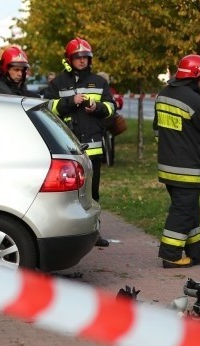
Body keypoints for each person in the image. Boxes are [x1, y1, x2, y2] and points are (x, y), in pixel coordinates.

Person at [42, 38, 115, 247]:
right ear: (70, 59)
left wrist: (97, 108)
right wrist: (69, 102)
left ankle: (95, 232)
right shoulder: (58, 83)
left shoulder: (99, 82)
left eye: (85, 57)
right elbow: (47, 107)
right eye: (78, 57)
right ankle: (70, 232)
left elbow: (111, 108)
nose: (82, 61)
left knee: (93, 193)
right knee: (68, 194)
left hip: (92, 147)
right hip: (67, 148)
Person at [153, 54, 200, 268]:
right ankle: (170, 255)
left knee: (189, 209)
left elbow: (158, 130)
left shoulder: (164, 94)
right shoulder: (192, 99)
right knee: (182, 211)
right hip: (187, 168)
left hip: (168, 165)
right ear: (193, 76)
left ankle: (197, 251)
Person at [96, 71, 124, 163]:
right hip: (109, 120)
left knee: (101, 136)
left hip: (103, 120)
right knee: (109, 138)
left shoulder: (98, 90)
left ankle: (105, 157)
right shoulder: (111, 90)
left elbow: (119, 102)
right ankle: (109, 158)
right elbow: (119, 103)